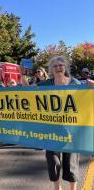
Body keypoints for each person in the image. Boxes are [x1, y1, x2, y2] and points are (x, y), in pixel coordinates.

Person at [38, 56, 80, 190]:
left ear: (65, 67)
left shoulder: (75, 83)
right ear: (50, 69)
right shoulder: (45, 84)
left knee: (71, 164)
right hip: (51, 130)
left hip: (72, 130)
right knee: (53, 163)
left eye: (61, 65)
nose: (58, 68)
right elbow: (27, 95)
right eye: (55, 66)